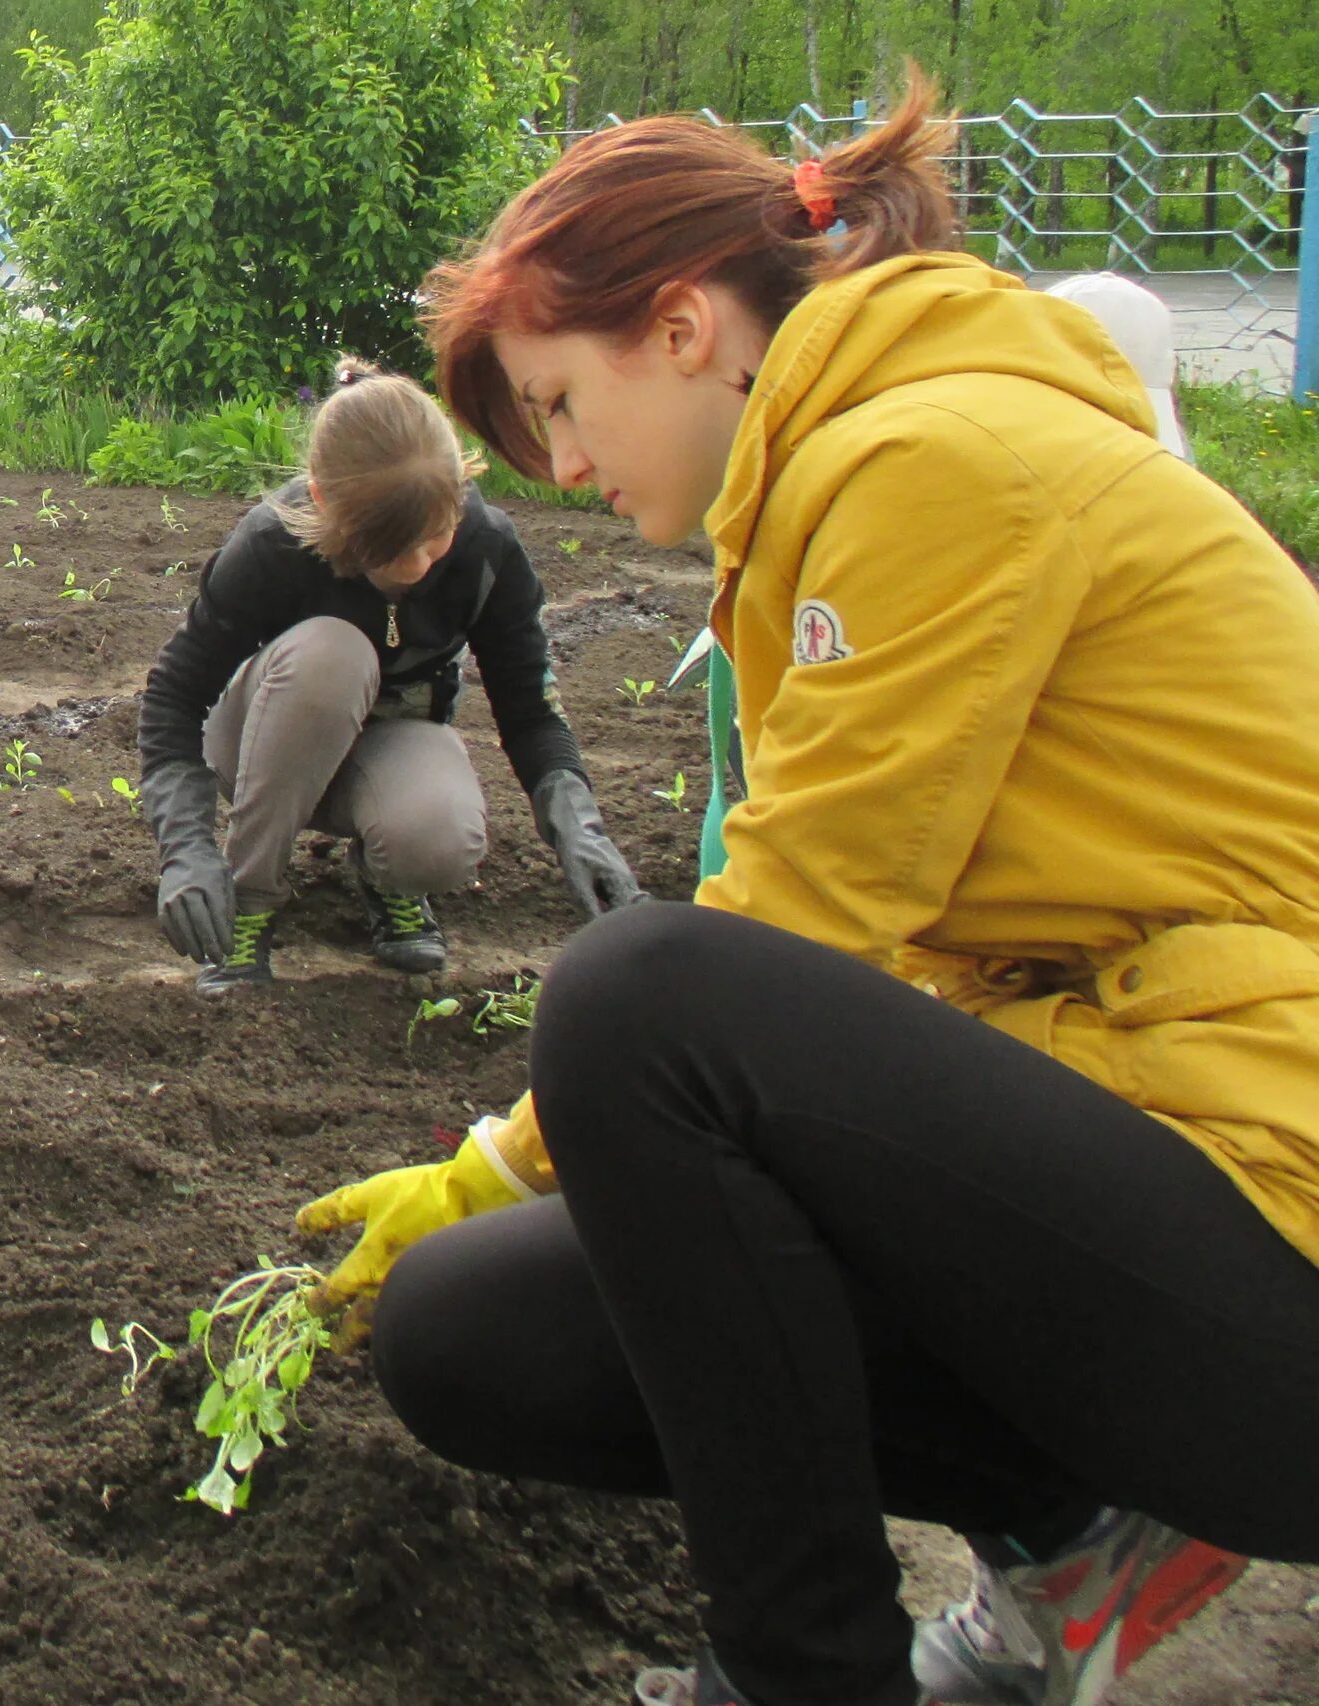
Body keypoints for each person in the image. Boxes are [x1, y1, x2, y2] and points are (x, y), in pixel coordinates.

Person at [298, 84, 1319, 1706]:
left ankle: (803, 1680)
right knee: (469, 1334)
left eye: (563, 401)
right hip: (1154, 1145)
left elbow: (789, 929)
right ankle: (1078, 1529)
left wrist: (500, 1156)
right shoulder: (842, 482)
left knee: (641, 999)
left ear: (686, 325)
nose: (560, 465)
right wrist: (497, 1196)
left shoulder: (941, 461)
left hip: (1280, 1229)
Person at [137, 359, 641, 992]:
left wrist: (579, 830)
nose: (416, 567)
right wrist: (186, 848)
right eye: (387, 548)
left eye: (435, 539)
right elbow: (173, 699)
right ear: (324, 500)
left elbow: (529, 707)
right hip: (266, 743)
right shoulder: (273, 545)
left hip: (381, 748)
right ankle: (249, 899)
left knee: (442, 837)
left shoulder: (487, 551)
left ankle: (386, 880)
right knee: (334, 652)